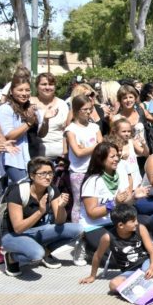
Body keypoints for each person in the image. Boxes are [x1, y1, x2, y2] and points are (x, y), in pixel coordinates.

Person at [79, 203, 153, 291]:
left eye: (136, 219)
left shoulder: (140, 229)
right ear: (120, 225)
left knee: (146, 277)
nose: (136, 222)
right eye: (132, 221)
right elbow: (97, 256)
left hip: (146, 264)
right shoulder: (107, 237)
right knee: (113, 285)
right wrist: (92, 276)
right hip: (130, 272)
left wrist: (152, 267)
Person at [1, 157, 82, 277]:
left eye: (50, 173)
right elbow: (18, 228)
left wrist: (61, 207)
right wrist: (40, 212)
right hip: (12, 235)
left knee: (78, 229)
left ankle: (47, 252)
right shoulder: (18, 191)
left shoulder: (52, 189)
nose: (48, 177)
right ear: (32, 176)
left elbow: (60, 221)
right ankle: (12, 257)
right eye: (43, 174)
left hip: (36, 232)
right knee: (36, 255)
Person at [77, 142, 145, 266]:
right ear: (101, 159)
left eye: (117, 155)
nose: (116, 159)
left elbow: (122, 203)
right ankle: (88, 249)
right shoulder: (93, 181)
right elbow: (92, 213)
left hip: (113, 222)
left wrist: (134, 196)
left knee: (135, 251)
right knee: (116, 260)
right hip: (93, 225)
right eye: (112, 156)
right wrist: (113, 203)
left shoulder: (117, 176)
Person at [0, 75, 53, 183]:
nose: (24, 93)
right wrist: (28, 123)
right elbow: (8, 136)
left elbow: (41, 134)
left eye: (27, 90)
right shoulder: (5, 109)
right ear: (11, 92)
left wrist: (46, 120)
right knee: (23, 188)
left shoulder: (32, 108)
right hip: (15, 160)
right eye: (20, 90)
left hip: (32, 159)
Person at [65, 95, 103, 223]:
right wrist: (95, 146)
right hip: (79, 171)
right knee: (78, 202)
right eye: (84, 109)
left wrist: (88, 148)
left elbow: (102, 147)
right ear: (76, 111)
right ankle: (77, 228)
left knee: (96, 200)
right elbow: (78, 153)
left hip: (95, 170)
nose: (88, 112)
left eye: (90, 109)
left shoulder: (94, 127)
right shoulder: (71, 129)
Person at [29, 73, 69, 162]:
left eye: (51, 84)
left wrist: (65, 153)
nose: (47, 87)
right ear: (37, 86)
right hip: (35, 155)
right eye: (44, 84)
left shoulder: (62, 104)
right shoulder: (29, 103)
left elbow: (67, 130)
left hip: (60, 156)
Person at [107, 119, 146, 192]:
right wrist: (120, 157)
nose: (127, 134)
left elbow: (145, 153)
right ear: (115, 132)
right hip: (124, 180)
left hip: (136, 178)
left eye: (129, 131)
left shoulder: (131, 142)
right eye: (124, 131)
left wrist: (144, 144)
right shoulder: (113, 146)